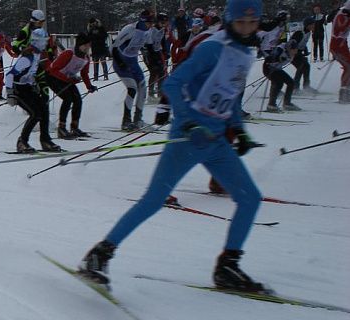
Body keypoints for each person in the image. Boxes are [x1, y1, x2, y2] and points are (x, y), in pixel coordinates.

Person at [78, 0, 268, 294]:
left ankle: (228, 266)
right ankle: (99, 255)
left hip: (216, 140)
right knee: (154, 200)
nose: (245, 28)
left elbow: (229, 95)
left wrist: (239, 130)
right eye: (240, 22)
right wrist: (188, 121)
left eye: (251, 23)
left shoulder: (244, 52)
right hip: (189, 138)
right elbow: (173, 84)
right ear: (230, 20)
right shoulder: (212, 48)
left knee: (250, 198)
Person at [5, 28, 64, 153]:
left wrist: (36, 84)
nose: (46, 43)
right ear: (37, 42)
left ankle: (45, 140)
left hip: (28, 88)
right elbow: (10, 75)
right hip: (18, 89)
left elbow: (32, 73)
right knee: (35, 114)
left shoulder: (37, 55)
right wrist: (10, 93)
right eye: (44, 41)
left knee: (44, 109)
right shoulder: (27, 58)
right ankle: (22, 141)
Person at [46, 32, 98, 139]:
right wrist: (69, 79)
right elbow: (53, 70)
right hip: (52, 77)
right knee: (68, 99)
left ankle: (74, 127)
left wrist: (89, 86)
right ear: (79, 44)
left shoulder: (86, 58)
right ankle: (61, 128)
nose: (88, 48)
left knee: (78, 100)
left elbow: (84, 73)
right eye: (85, 45)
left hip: (66, 79)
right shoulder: (69, 53)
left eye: (89, 45)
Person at [112, 10, 154, 131]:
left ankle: (138, 119)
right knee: (132, 88)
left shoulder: (148, 31)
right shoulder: (129, 29)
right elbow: (113, 47)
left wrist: (155, 62)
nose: (151, 25)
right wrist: (120, 62)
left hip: (133, 62)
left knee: (143, 87)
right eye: (149, 23)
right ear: (142, 21)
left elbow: (149, 47)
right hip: (121, 62)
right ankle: (126, 121)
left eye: (152, 23)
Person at [263, 35, 302, 112]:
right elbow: (270, 58)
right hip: (269, 68)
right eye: (294, 50)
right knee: (278, 83)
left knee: (291, 83)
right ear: (289, 48)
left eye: (296, 50)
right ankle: (271, 105)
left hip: (277, 69)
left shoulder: (292, 52)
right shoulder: (280, 49)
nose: (295, 52)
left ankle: (287, 103)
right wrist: (278, 59)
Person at [144, 13, 170, 101]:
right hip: (150, 54)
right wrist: (154, 57)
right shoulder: (152, 31)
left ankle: (160, 93)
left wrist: (166, 52)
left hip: (158, 52)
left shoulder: (162, 30)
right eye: (162, 22)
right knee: (154, 72)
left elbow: (162, 42)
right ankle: (150, 95)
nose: (164, 25)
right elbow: (149, 45)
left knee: (162, 73)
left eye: (165, 23)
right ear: (158, 22)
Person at [332, 1, 350, 103]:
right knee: (348, 67)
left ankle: (347, 90)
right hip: (337, 46)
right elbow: (339, 30)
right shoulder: (341, 15)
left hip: (343, 45)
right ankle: (343, 93)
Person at [292, 18, 316, 93]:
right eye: (312, 24)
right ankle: (295, 87)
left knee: (306, 66)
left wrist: (305, 50)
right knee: (301, 66)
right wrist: (295, 51)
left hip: (299, 52)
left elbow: (303, 42)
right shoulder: (300, 32)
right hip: (292, 53)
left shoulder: (308, 32)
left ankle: (306, 86)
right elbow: (292, 42)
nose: (314, 26)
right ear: (307, 25)